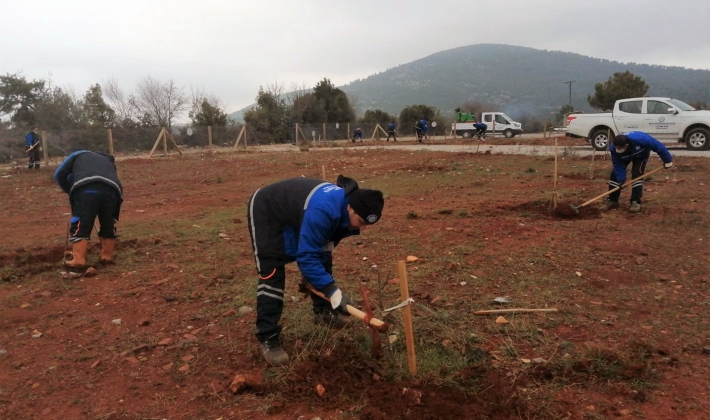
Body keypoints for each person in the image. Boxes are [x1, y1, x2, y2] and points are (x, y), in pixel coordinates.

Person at [246, 175, 385, 366]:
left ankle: (323, 313)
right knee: (272, 274)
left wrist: (322, 283)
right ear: (350, 207)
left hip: (296, 211)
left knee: (324, 257)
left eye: (367, 225)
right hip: (267, 209)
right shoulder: (324, 210)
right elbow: (306, 256)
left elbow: (320, 249)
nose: (363, 228)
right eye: (361, 222)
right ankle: (268, 337)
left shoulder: (345, 213)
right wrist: (332, 291)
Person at [54, 150, 123, 268]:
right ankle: (107, 256)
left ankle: (79, 259)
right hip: (113, 191)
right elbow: (110, 178)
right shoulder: (108, 161)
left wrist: (70, 190)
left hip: (86, 189)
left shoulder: (79, 154)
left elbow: (59, 174)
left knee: (81, 223)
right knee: (108, 223)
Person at [605, 132, 673, 213]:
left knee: (637, 175)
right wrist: (621, 179)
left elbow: (658, 146)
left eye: (620, 148)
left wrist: (667, 160)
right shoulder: (613, 148)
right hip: (624, 157)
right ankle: (613, 201)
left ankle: (635, 202)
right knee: (615, 175)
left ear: (626, 145)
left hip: (641, 154)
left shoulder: (641, 139)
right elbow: (618, 164)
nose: (618, 149)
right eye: (617, 148)